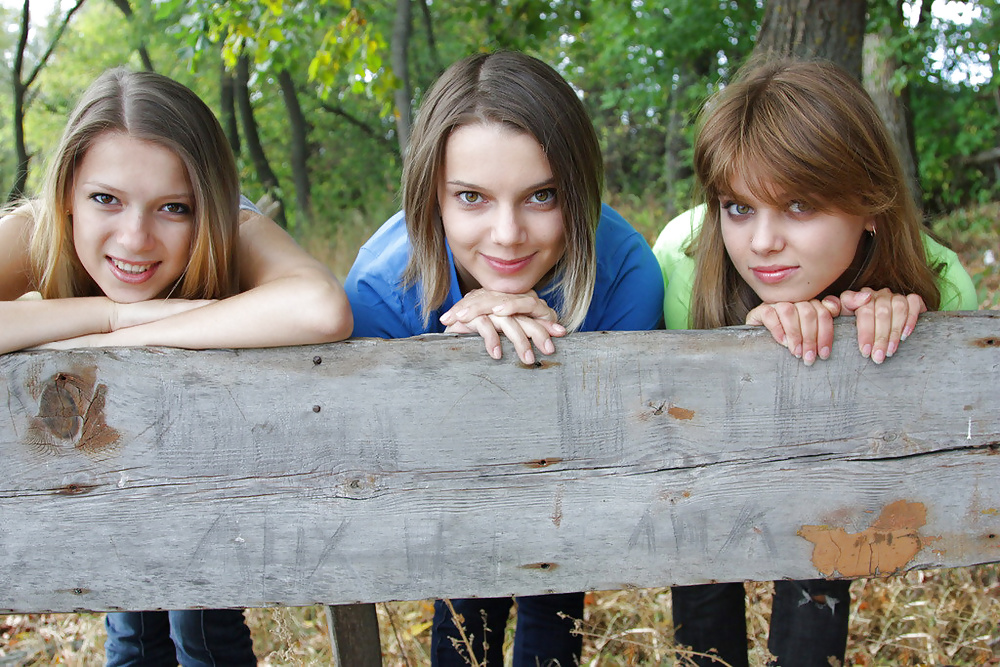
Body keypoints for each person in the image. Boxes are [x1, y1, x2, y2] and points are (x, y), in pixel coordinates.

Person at [0, 67, 353, 665]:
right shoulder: (39, 231)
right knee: (134, 623)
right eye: (105, 198)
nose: (135, 239)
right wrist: (110, 317)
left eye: (173, 207)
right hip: (109, 474)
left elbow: (320, 308)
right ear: (67, 194)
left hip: (210, 472)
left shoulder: (232, 228)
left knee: (202, 620)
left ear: (206, 205)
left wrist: (135, 339)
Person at [652, 58, 977, 667]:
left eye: (800, 206)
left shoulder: (943, 287)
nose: (762, 242)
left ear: (872, 203)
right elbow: (681, 435)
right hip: (712, 478)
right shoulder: (683, 259)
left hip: (829, 487)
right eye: (738, 207)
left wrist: (874, 342)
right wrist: (747, 353)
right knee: (701, 558)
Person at [345, 51, 664, 666]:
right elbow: (382, 458)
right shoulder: (383, 288)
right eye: (471, 197)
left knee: (555, 594)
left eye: (542, 195)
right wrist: (457, 357)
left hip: (571, 492)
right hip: (450, 504)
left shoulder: (625, 274)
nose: (508, 234)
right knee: (467, 600)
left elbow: (617, 451)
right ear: (430, 196)